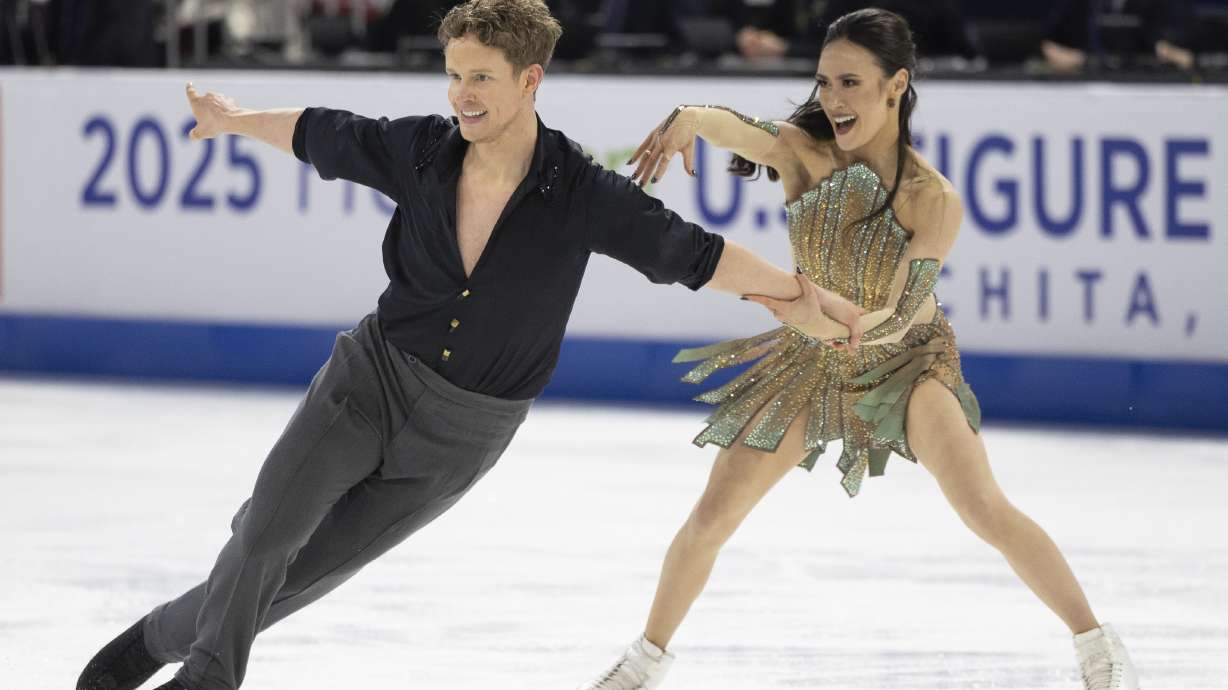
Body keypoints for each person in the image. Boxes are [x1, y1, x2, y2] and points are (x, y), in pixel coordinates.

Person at [73, 2, 866, 689]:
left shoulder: (580, 192)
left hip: (459, 438)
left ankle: (157, 637)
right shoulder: (421, 149)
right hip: (370, 379)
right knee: (265, 535)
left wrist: (795, 298)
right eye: (454, 74)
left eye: (480, 77)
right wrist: (235, 121)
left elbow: (693, 254)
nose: (461, 94)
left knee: (298, 575)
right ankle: (208, 680)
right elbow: (324, 135)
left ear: (530, 81)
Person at [577, 8, 1139, 690]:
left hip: (908, 366)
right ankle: (644, 662)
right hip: (811, 362)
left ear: (896, 85)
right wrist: (689, 116)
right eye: (823, 82)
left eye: (850, 83)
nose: (832, 100)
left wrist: (831, 322)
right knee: (713, 515)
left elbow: (904, 316)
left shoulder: (932, 199)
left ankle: (1097, 645)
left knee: (981, 506)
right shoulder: (802, 152)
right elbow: (737, 129)